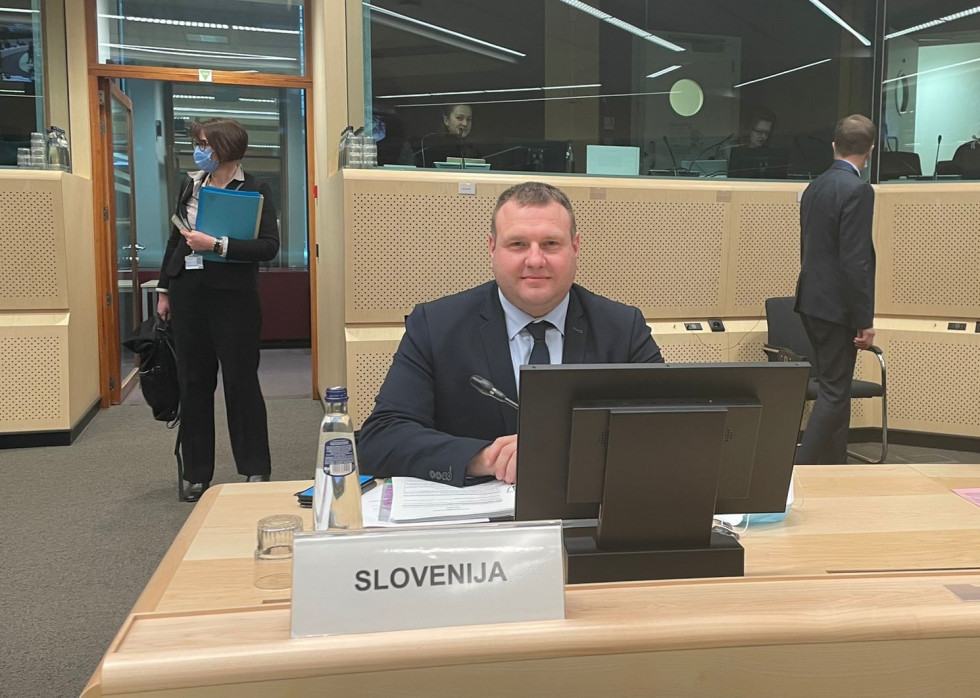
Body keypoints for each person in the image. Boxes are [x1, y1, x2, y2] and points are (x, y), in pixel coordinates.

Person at [358, 181, 664, 487]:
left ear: (575, 247)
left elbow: (668, 429)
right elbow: (382, 438)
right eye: (517, 244)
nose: (534, 260)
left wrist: (570, 450)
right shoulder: (435, 325)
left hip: (585, 512)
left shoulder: (623, 328)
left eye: (551, 244)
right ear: (492, 248)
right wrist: (485, 458)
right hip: (477, 522)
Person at [156, 118, 280, 502]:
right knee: (193, 381)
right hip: (188, 292)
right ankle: (197, 473)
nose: (199, 150)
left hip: (235, 297)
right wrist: (164, 290)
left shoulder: (256, 188)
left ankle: (255, 468)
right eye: (198, 143)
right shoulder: (190, 183)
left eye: (204, 144)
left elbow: (268, 247)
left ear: (225, 147)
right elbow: (176, 238)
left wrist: (219, 245)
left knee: (241, 382)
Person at [794, 114, 877, 465]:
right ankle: (798, 472)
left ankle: (836, 468)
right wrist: (864, 319)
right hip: (837, 308)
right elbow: (855, 262)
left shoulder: (815, 186)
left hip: (811, 301)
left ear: (833, 146)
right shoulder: (858, 189)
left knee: (835, 388)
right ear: (871, 151)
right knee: (834, 391)